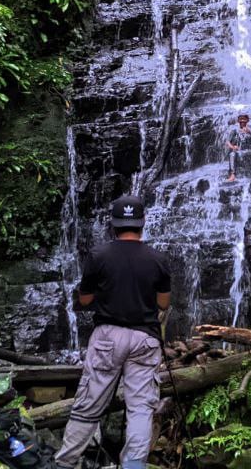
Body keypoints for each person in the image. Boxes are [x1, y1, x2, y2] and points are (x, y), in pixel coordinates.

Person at [55, 195, 172, 469]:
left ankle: (65, 463)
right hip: (145, 338)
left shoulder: (98, 256)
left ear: (114, 225)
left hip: (107, 336)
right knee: (141, 408)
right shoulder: (158, 259)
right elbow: (163, 303)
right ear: (142, 224)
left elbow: (84, 301)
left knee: (89, 403)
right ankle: (133, 466)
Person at [225, 113, 251, 181]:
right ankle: (233, 174)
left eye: (244, 119)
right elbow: (227, 142)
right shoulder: (235, 130)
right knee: (232, 154)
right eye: (241, 119)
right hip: (240, 151)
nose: (242, 121)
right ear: (238, 121)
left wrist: (250, 132)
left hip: (250, 151)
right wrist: (233, 147)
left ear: (247, 120)